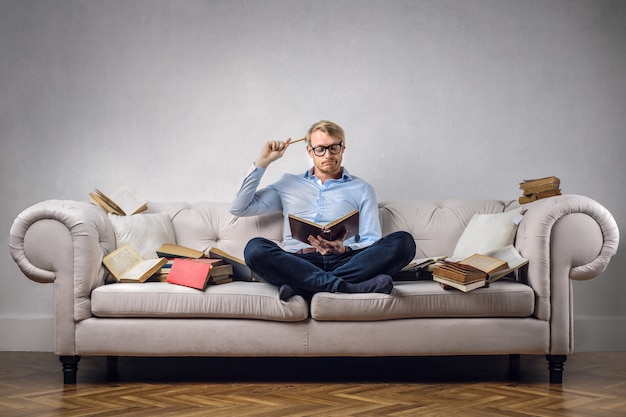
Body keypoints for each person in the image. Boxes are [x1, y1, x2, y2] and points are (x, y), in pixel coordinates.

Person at [230, 120, 415, 301]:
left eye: (334, 147)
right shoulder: (288, 183)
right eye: (320, 149)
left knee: (403, 242)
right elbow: (239, 207)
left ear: (343, 148)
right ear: (310, 151)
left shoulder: (362, 188)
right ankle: (346, 287)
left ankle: (302, 286)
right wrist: (263, 162)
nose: (327, 155)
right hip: (298, 262)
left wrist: (345, 248)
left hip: (347, 261)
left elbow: (372, 240)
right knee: (255, 249)